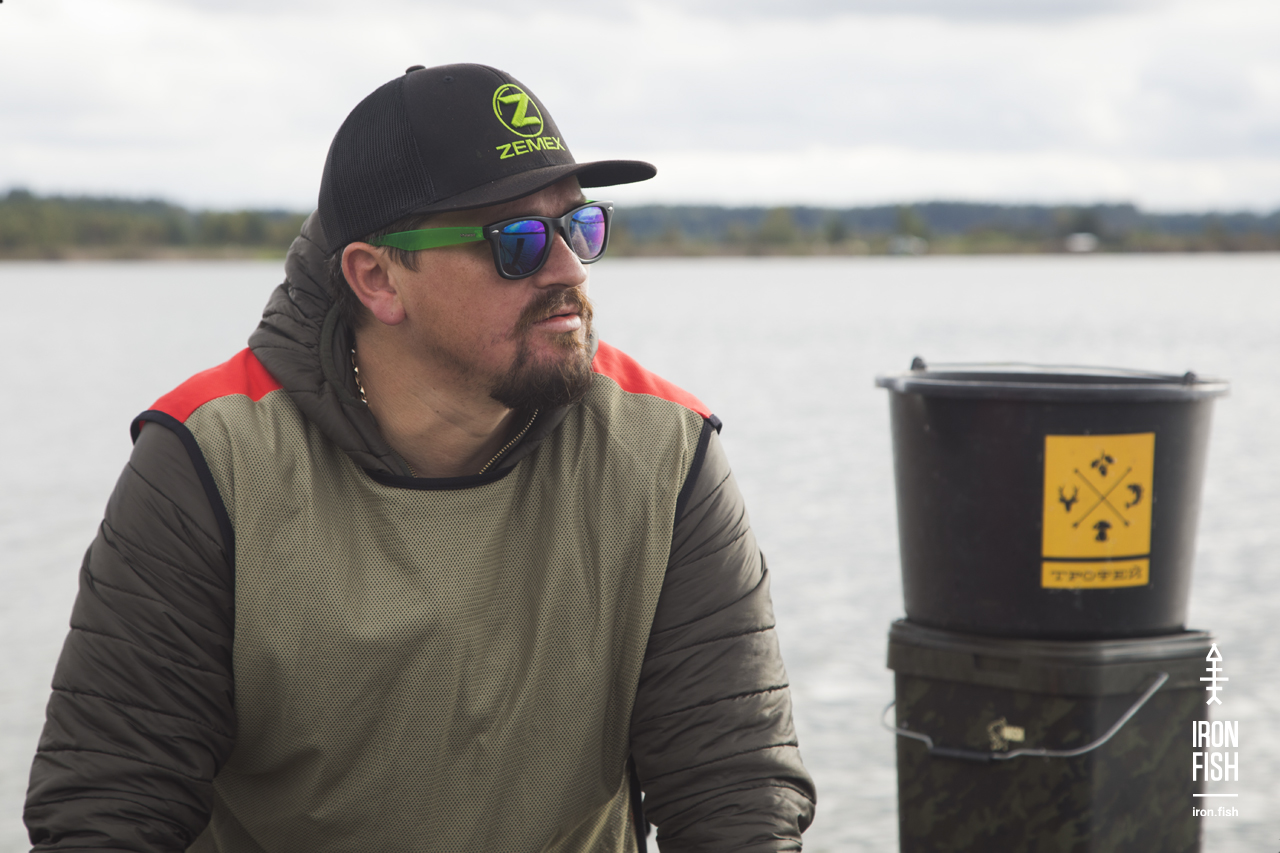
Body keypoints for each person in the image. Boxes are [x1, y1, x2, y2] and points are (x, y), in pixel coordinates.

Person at [25, 63, 815, 852]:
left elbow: (737, 796)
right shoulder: (208, 459)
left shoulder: (665, 451)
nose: (570, 270)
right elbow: (107, 807)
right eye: (517, 242)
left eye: (579, 227)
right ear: (377, 278)